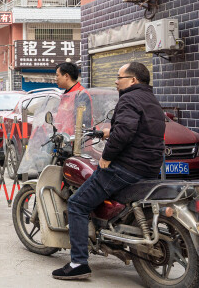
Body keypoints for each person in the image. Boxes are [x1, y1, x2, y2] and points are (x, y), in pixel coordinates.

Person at [52, 62, 165, 280]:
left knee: (77, 204)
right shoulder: (151, 100)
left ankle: (78, 263)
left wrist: (107, 156)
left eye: (119, 77)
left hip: (127, 167)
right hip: (150, 167)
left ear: (133, 80)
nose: (115, 80)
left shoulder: (129, 99)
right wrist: (107, 132)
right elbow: (138, 129)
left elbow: (124, 133)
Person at [54, 62, 93, 133]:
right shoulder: (66, 94)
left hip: (74, 141)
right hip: (64, 139)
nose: (55, 79)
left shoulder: (80, 94)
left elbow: (83, 124)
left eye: (57, 75)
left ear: (66, 76)